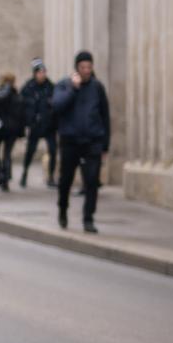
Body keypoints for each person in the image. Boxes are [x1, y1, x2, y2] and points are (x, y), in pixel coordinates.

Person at [53, 50, 111, 233]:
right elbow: (56, 106)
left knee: (92, 181)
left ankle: (88, 218)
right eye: (83, 67)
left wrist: (105, 144)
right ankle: (63, 209)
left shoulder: (97, 88)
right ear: (77, 68)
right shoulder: (64, 85)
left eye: (89, 66)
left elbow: (105, 116)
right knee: (66, 180)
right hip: (70, 142)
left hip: (92, 141)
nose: (86, 70)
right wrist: (73, 89)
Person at [20, 59, 57, 189]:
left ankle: (51, 177)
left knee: (53, 150)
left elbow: (55, 104)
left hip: (49, 125)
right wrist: (28, 121)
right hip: (35, 125)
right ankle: (24, 173)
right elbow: (23, 105)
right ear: (35, 74)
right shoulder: (28, 87)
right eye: (40, 72)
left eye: (44, 72)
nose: (42, 75)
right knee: (30, 151)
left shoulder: (50, 87)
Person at [0, 72, 26, 192]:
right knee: (7, 154)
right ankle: (5, 179)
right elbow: (21, 115)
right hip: (13, 129)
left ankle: (0, 173)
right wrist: (21, 131)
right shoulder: (17, 95)